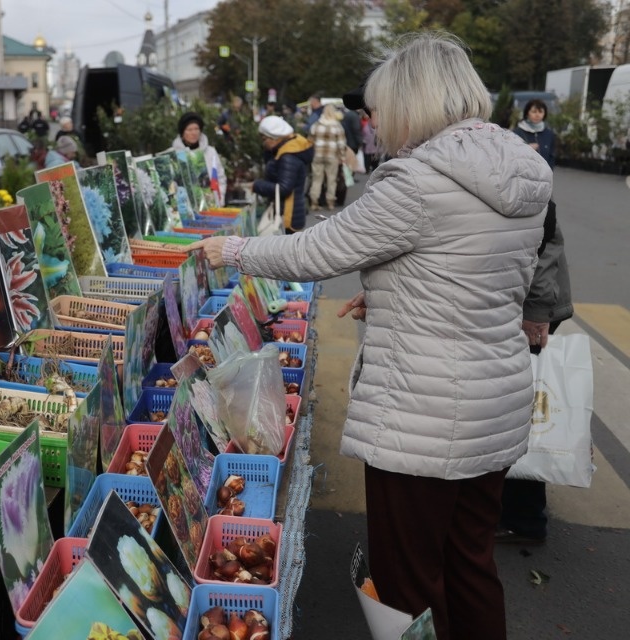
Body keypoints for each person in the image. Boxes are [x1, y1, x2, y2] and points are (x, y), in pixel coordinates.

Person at [187, 32, 553, 640]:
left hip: (424, 416)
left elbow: (316, 249)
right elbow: (479, 273)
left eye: (379, 106)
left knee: (407, 581)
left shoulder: (416, 181)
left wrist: (231, 249)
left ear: (415, 100)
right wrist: (389, 289)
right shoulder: (521, 168)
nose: (373, 120)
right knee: (469, 565)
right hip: (494, 403)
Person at [499, 101, 571, 545]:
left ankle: (526, 518)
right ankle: (517, 509)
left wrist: (536, 314)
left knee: (523, 411)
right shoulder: (517, 176)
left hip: (533, 310)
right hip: (531, 306)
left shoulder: (523, 187)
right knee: (518, 408)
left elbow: (544, 253)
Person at [252, 115, 313, 233]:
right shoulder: (287, 150)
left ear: (275, 138)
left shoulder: (288, 156)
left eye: (264, 139)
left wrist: (256, 186)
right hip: (291, 211)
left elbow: (284, 188)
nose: (263, 143)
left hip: (288, 214)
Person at [171, 111, 227, 206]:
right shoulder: (173, 154)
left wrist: (219, 198)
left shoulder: (210, 152)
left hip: (211, 206)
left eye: (196, 129)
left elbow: (220, 177)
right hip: (184, 208)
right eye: (189, 129)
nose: (194, 133)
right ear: (182, 132)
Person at [308, 103, 347, 211]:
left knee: (316, 179)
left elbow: (310, 141)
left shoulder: (316, 125)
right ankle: (330, 202)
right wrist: (342, 157)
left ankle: (314, 202)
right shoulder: (337, 126)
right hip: (332, 156)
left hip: (317, 155)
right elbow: (341, 144)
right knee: (331, 179)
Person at [513, 99, 556, 167]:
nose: (537, 115)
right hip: (522, 175)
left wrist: (548, 173)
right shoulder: (517, 133)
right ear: (527, 113)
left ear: (544, 114)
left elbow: (551, 158)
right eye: (534, 112)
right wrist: (525, 149)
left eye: (540, 112)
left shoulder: (549, 134)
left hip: (543, 175)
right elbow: (511, 156)